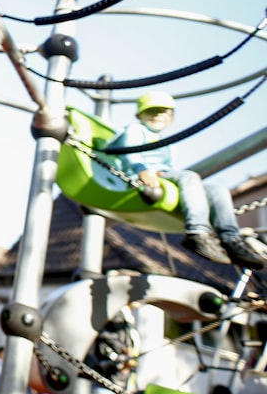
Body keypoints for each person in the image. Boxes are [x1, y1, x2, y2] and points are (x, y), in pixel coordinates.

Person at [107, 91, 263, 269]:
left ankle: (231, 239)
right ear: (139, 115)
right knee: (189, 176)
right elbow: (129, 150)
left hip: (162, 176)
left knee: (216, 188)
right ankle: (197, 232)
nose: (157, 115)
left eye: (163, 112)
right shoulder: (135, 130)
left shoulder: (166, 142)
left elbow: (168, 168)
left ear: (171, 118)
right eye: (152, 111)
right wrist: (142, 171)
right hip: (138, 177)